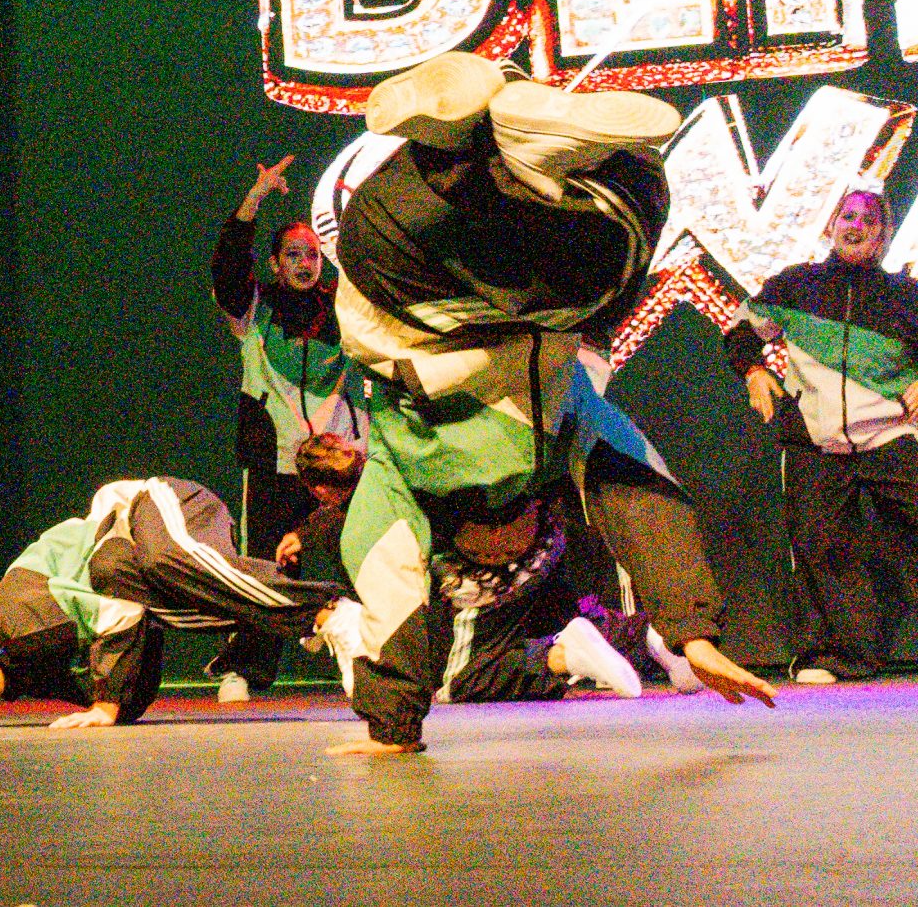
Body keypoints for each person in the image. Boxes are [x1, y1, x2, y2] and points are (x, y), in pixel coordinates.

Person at [324, 51, 774, 754]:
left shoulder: (401, 474)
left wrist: (394, 727)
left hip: (451, 301)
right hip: (467, 295)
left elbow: (390, 589)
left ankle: (502, 145)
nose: (505, 549)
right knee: (619, 208)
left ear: (461, 540)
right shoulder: (558, 422)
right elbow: (640, 491)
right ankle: (514, 147)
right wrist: (692, 633)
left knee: (621, 215)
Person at [0, 476, 364, 727]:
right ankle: (335, 626)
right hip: (126, 555)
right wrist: (115, 703)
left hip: (149, 506)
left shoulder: (6, 627)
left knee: (157, 566)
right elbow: (132, 681)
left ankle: (327, 611)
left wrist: (106, 703)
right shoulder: (20, 666)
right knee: (178, 603)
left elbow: (115, 612)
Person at [282, 454, 706, 703]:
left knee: (453, 681)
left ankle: (561, 658)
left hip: (483, 569)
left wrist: (304, 533)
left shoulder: (393, 461)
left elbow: (356, 516)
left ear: (320, 489)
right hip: (544, 542)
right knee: (562, 615)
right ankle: (652, 637)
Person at [724, 188, 918, 683]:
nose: (856, 226)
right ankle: (837, 655)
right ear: (831, 225)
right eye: (847, 216)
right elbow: (741, 327)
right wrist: (753, 370)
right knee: (821, 545)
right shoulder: (796, 285)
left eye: (869, 220)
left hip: (891, 435)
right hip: (815, 440)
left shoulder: (907, 296)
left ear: (884, 234)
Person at [208, 153, 367, 700]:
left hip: (341, 462)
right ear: (275, 263)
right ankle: (245, 668)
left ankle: (385, 659)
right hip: (274, 460)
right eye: (294, 254)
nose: (305, 262)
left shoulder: (343, 307)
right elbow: (228, 268)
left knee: (368, 555)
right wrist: (252, 201)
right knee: (265, 565)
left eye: (313, 254)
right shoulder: (254, 309)